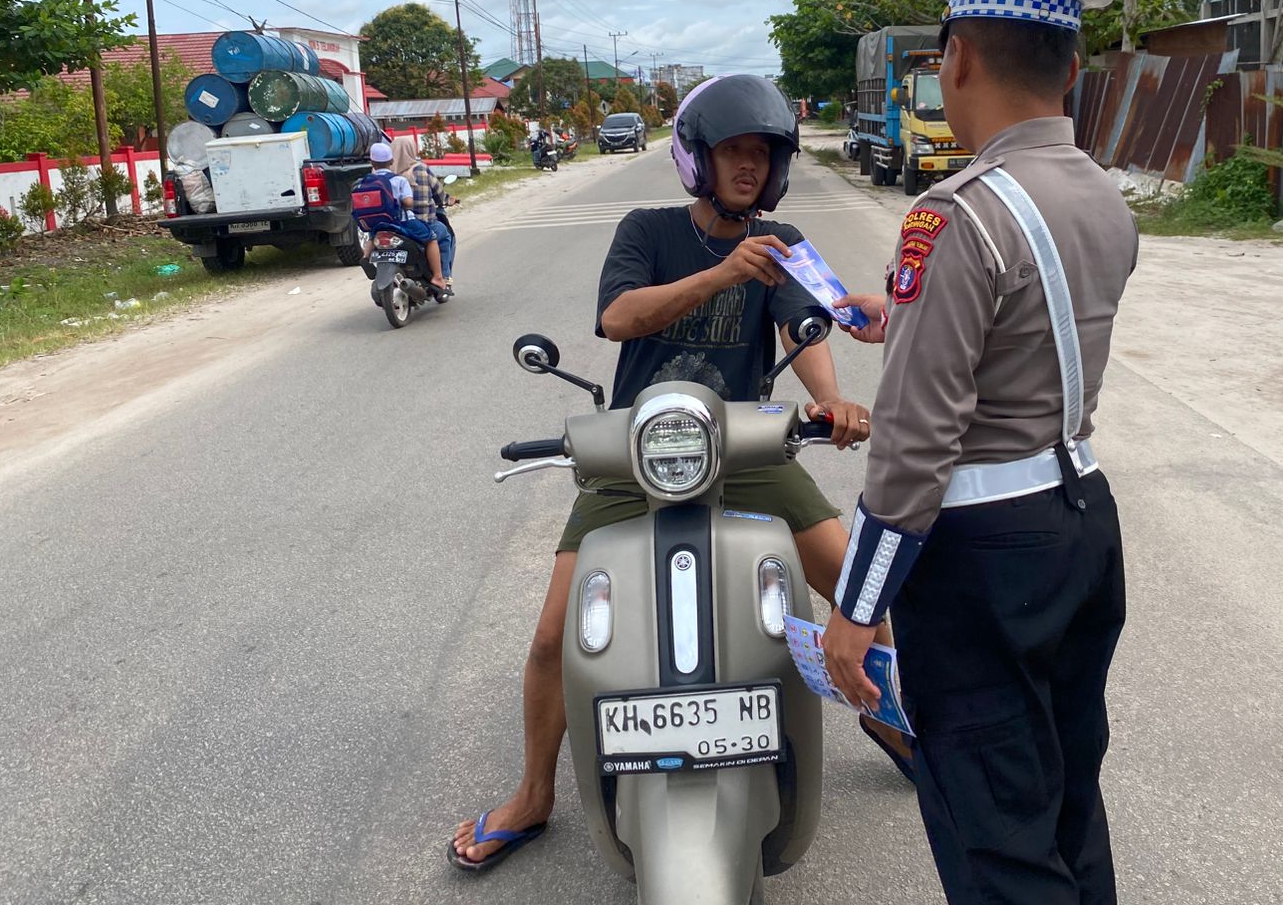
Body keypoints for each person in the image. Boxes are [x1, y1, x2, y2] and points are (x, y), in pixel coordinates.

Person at [449, 74, 906, 874]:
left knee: (858, 588)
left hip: (746, 446)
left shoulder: (783, 242)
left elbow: (807, 328)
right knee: (554, 636)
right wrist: (724, 273)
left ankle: (885, 715)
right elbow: (619, 316)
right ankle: (533, 794)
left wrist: (832, 401)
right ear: (699, 160)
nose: (749, 166)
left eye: (762, 154)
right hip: (638, 450)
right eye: (733, 151)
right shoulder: (648, 229)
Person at [822, 0, 1141, 905]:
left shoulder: (957, 213)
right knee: (1066, 798)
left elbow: (915, 443)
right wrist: (906, 316)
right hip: (1080, 518)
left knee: (995, 836)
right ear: (1071, 69)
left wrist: (857, 607)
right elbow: (1033, 331)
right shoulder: (1103, 195)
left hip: (983, 555)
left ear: (957, 61)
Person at [354, 141, 447, 293]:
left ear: (372, 162)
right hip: (402, 222)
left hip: (378, 225)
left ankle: (365, 257)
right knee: (431, 238)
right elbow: (409, 203)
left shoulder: (365, 182)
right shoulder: (399, 180)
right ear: (391, 161)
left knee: (373, 235)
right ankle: (437, 277)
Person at [390, 135, 459, 289]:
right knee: (445, 235)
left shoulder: (388, 174)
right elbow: (439, 194)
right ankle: (443, 277)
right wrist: (448, 200)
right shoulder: (421, 169)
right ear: (412, 150)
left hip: (395, 226)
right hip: (423, 223)